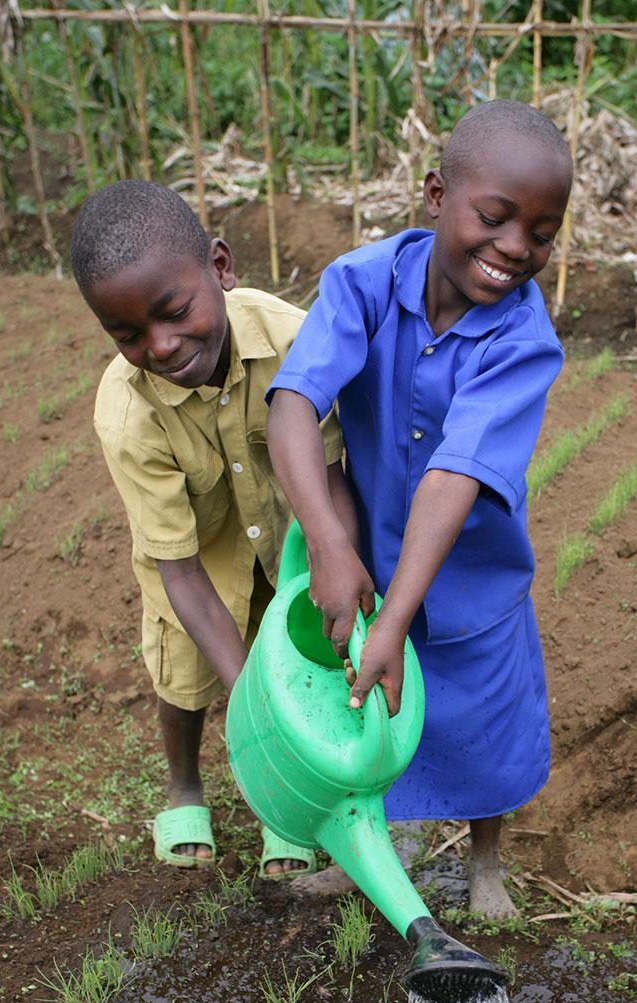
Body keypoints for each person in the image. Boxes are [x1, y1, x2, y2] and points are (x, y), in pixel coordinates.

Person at [266, 100, 573, 920]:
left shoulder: (523, 340)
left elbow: (452, 477)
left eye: (542, 233)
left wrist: (398, 619)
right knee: (369, 705)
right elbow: (294, 401)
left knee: (484, 721)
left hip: (471, 578)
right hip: (368, 557)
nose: (516, 248)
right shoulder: (361, 283)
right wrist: (331, 545)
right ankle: (374, 850)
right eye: (496, 217)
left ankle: (486, 867)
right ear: (437, 194)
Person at [70, 179, 353, 875]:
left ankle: (276, 801)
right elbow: (178, 567)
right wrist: (252, 698)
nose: (161, 346)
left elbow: (336, 471)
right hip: (194, 567)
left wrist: (334, 552)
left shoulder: (292, 339)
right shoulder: (127, 413)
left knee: (296, 656)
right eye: (127, 334)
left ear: (220, 268)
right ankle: (185, 784)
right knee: (186, 679)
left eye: (173, 312)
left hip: (289, 547)